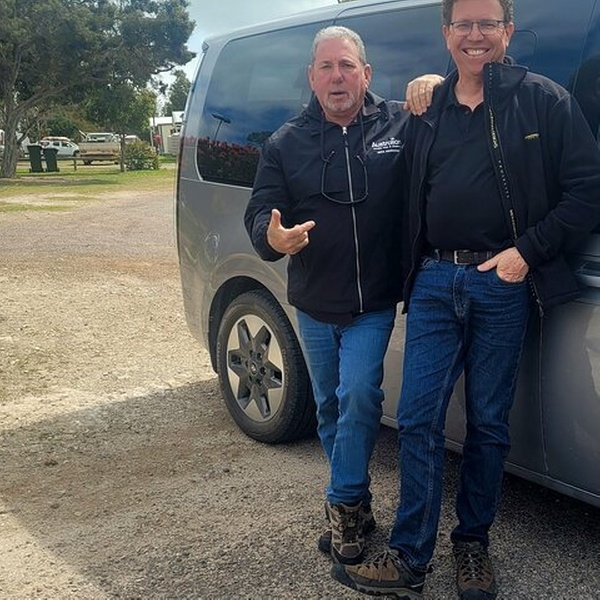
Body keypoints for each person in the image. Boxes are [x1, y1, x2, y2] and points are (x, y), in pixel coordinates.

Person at [332, 0, 600, 598]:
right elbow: (376, 159)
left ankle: (473, 546)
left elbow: (587, 191)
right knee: (418, 419)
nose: (475, 35)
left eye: (487, 23)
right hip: (433, 280)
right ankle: (410, 556)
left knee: (488, 425)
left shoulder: (545, 101)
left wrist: (527, 251)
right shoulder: (428, 108)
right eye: (463, 24)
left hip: (502, 284)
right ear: (446, 33)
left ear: (508, 30)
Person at [244, 26, 440, 565]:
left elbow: (449, 123)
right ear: (311, 77)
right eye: (327, 67)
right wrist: (272, 238)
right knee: (329, 405)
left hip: (372, 303)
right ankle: (357, 502)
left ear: (366, 74)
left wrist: (434, 83)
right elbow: (260, 210)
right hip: (313, 301)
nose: (337, 77)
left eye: (347, 66)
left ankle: (344, 504)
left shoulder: (398, 123)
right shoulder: (285, 143)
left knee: (358, 394)